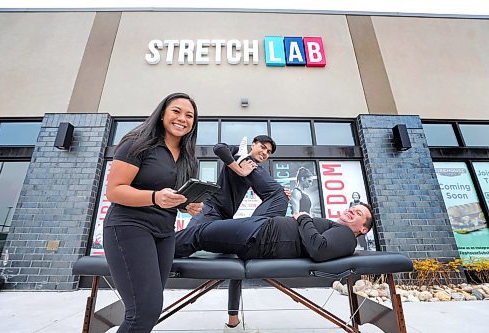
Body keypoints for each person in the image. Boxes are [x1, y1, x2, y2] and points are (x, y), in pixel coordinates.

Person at [103, 92, 202, 333]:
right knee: (143, 311)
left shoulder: (189, 158)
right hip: (128, 227)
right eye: (176, 111)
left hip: (164, 233)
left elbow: (172, 197)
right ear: (162, 115)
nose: (182, 118)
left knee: (150, 308)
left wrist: (186, 205)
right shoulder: (138, 143)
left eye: (189, 115)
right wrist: (156, 197)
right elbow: (114, 191)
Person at [177, 135, 289, 332]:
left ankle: (233, 322)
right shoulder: (239, 153)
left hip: (225, 218)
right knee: (183, 243)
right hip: (210, 210)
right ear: (253, 144)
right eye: (262, 147)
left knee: (237, 264)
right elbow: (218, 147)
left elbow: (265, 190)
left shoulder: (252, 166)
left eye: (268, 152)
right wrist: (239, 167)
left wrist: (279, 192)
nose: (264, 153)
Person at [175, 203, 374, 263]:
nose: (351, 211)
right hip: (261, 228)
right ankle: (243, 164)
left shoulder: (347, 236)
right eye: (352, 207)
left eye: (358, 213)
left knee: (199, 234)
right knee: (206, 222)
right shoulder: (336, 228)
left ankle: (156, 248)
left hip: (259, 236)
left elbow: (319, 249)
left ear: (363, 229)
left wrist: (303, 217)